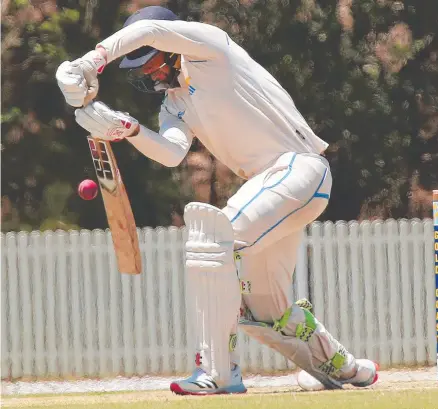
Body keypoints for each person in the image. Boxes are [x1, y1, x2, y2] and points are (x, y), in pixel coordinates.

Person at [56, 6, 378, 395]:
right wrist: (127, 129)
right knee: (267, 309)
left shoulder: (211, 49)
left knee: (213, 237)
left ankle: (218, 372)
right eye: (142, 69)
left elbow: (150, 29)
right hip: (272, 189)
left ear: (172, 45)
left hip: (299, 168)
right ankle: (344, 367)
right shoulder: (175, 101)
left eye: (153, 61)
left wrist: (91, 61)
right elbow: (173, 152)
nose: (151, 72)